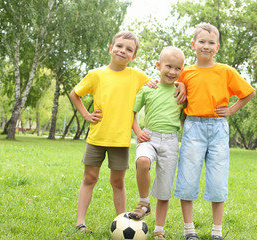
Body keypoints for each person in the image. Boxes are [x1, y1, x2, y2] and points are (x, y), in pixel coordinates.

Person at [69, 31, 186, 233]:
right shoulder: (96, 74)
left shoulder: (137, 76)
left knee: (117, 181)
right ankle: (80, 222)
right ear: (111, 48)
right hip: (97, 137)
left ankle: (122, 222)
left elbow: (165, 82)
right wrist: (87, 115)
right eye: (120, 46)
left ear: (134, 56)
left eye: (129, 49)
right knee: (89, 177)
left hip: (120, 140)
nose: (123, 51)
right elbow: (74, 94)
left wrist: (181, 83)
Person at [173, 23, 256, 240]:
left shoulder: (226, 71)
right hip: (193, 127)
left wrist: (231, 109)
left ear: (217, 47)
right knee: (187, 177)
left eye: (211, 43)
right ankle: (189, 230)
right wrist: (179, 84)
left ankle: (216, 232)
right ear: (193, 45)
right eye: (201, 41)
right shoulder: (186, 72)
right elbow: (169, 82)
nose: (206, 46)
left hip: (218, 128)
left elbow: (248, 93)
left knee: (218, 179)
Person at [128, 46, 186, 240]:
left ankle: (159, 229)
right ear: (158, 65)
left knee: (164, 189)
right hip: (149, 137)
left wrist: (183, 85)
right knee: (142, 161)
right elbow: (132, 113)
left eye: (178, 68)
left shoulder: (181, 93)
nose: (172, 72)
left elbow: (186, 117)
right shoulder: (148, 89)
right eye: (169, 66)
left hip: (170, 141)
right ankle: (144, 203)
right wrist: (137, 131)